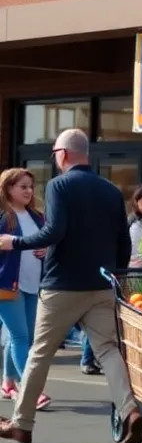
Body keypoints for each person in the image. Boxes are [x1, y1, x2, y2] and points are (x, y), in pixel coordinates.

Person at [0, 129, 142, 443]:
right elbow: (122, 240)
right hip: (101, 284)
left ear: (62, 154)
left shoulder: (59, 185)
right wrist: (116, 277)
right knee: (108, 350)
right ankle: (130, 411)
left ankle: (21, 425)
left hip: (62, 284)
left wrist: (16, 243)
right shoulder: (109, 190)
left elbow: (54, 231)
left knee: (39, 352)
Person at [0, 169, 51, 411]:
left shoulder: (37, 217)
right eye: (23, 186)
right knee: (21, 337)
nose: (29, 191)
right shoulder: (3, 217)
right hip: (7, 286)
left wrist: (45, 250)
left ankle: (8, 383)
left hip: (33, 283)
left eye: (31, 186)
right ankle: (32, 391)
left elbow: (46, 242)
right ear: (9, 188)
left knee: (21, 336)